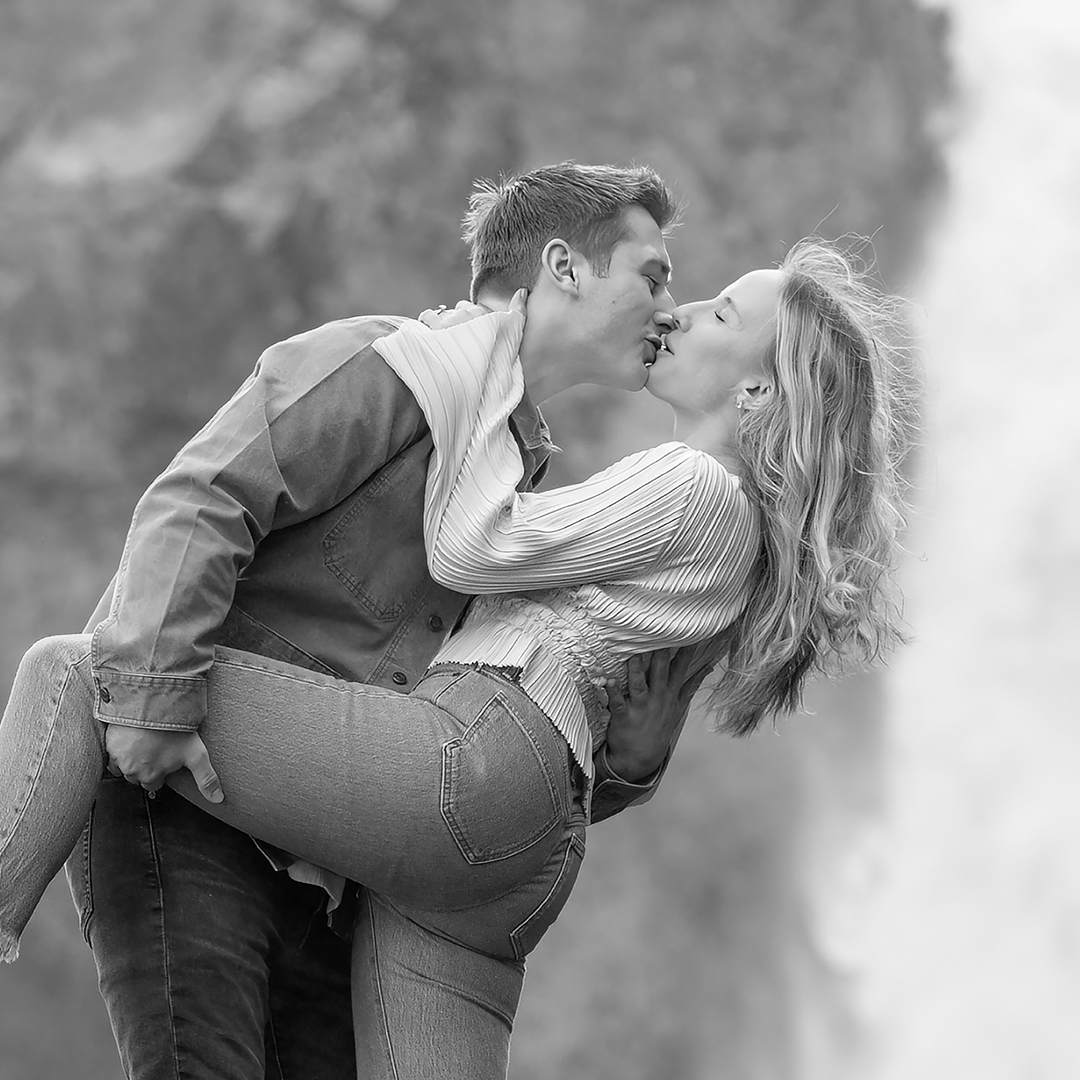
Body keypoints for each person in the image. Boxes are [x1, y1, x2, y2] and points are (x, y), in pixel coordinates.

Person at [0, 224, 912, 1077]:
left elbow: (476, 547)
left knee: (77, 674)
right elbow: (616, 725)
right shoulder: (739, 536)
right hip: (514, 855)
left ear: (755, 393)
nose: (683, 308)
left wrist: (467, 377)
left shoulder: (693, 482)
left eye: (721, 312)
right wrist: (634, 766)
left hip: (478, 761)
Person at [42, 162, 698, 1080]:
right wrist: (151, 708)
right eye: (653, 275)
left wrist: (629, 763)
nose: (672, 308)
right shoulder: (382, 366)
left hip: (336, 880)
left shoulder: (512, 491)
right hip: (187, 808)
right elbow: (201, 499)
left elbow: (487, 729)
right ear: (565, 267)